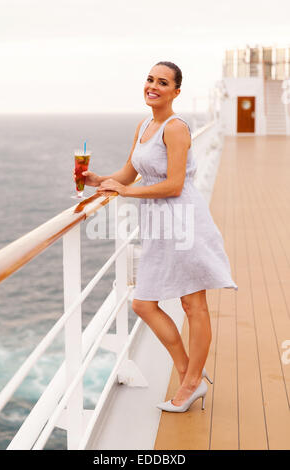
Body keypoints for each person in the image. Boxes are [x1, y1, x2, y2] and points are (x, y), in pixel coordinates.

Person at [74, 61, 238, 413]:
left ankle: (191, 382)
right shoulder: (144, 125)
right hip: (158, 225)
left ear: (176, 91)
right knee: (143, 303)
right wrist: (98, 179)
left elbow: (175, 184)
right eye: (150, 79)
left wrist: (125, 192)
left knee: (194, 305)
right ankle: (188, 373)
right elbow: (128, 173)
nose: (153, 86)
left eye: (163, 82)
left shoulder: (176, 128)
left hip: (184, 221)